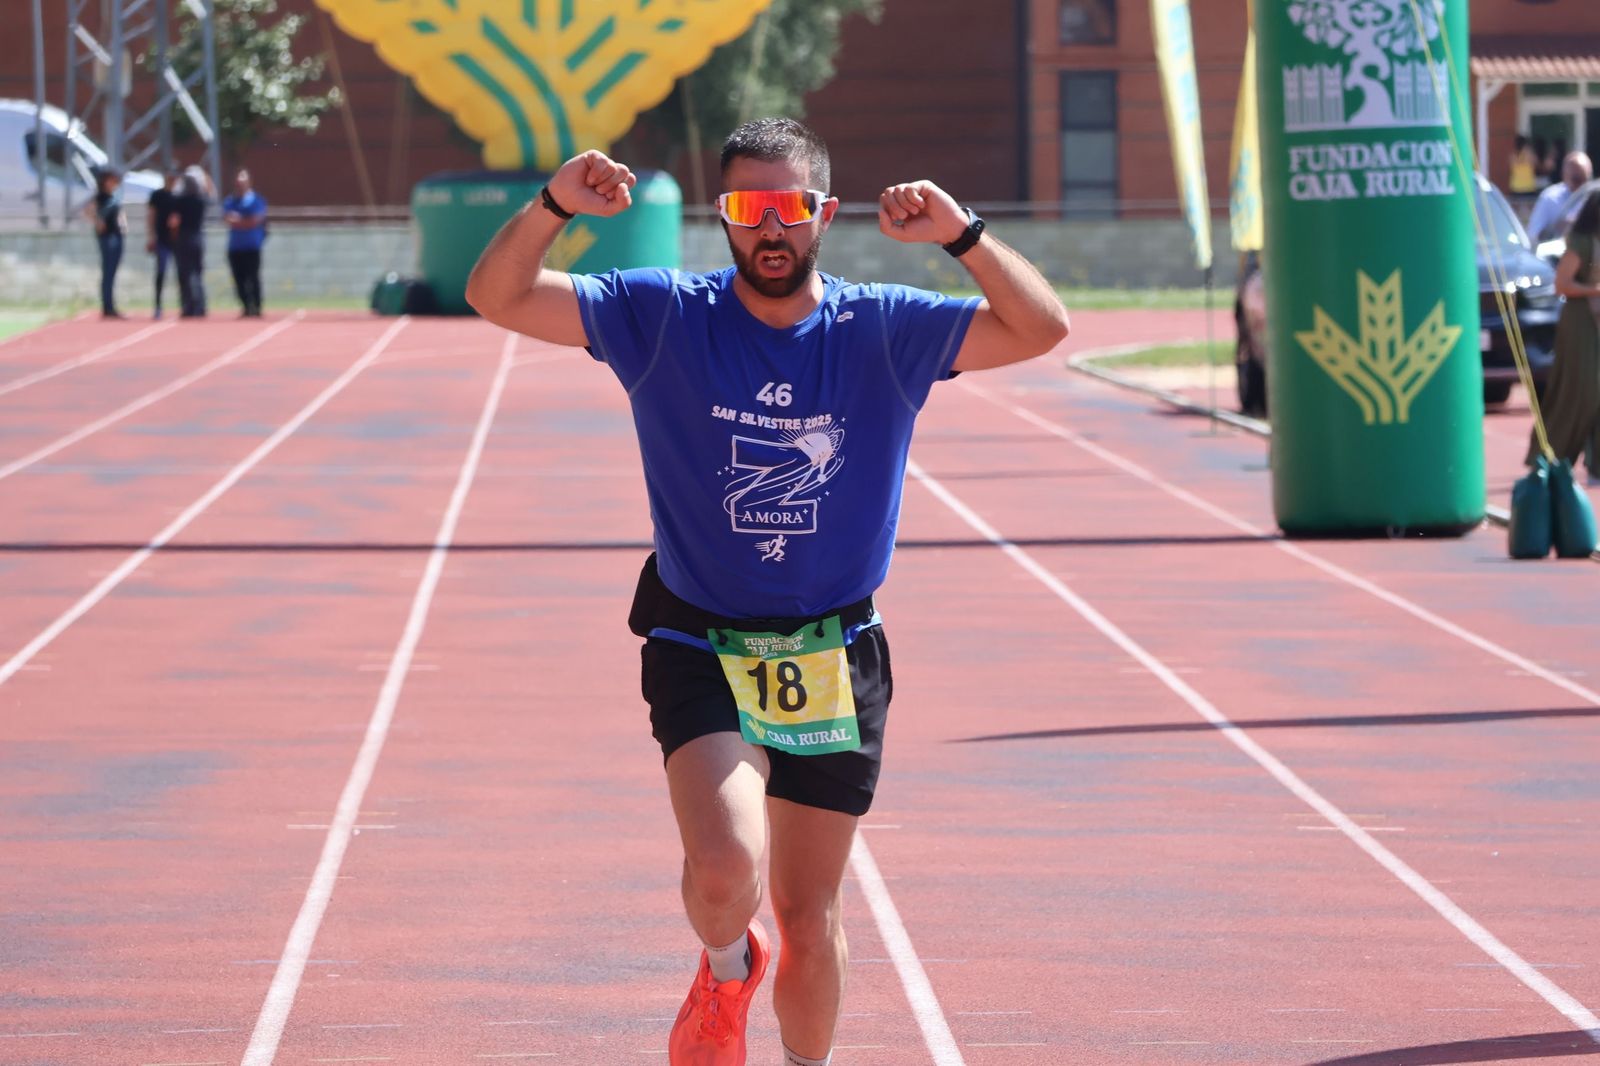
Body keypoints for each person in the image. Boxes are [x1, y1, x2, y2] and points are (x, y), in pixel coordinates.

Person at [466, 118, 1070, 1066]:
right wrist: (554, 206)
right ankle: (722, 963)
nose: (772, 230)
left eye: (790, 208)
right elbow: (495, 295)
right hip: (701, 636)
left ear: (824, 212)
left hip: (834, 649)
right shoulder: (663, 315)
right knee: (724, 870)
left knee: (807, 908)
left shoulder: (882, 327)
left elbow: (1044, 327)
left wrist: (963, 234)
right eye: (751, 210)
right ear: (725, 216)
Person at [1528, 188, 1600, 485]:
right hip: (1581, 322)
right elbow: (1562, 285)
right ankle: (1551, 456)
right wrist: (1594, 291)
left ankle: (1597, 466)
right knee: (1581, 390)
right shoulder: (1581, 243)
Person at [223, 168, 268, 316]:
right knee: (239, 279)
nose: (240, 185)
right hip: (235, 247)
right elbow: (227, 218)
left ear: (249, 183)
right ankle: (246, 306)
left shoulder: (257, 200)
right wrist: (244, 221)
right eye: (238, 183)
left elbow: (255, 220)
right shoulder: (230, 200)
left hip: (252, 246)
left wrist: (240, 221)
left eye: (243, 182)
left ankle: (257, 305)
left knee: (253, 277)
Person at [84, 167, 126, 319]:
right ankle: (107, 306)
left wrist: (123, 224)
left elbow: (119, 213)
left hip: (117, 235)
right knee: (107, 271)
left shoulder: (114, 196)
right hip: (107, 237)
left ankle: (111, 305)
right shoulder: (100, 197)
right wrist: (97, 221)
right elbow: (88, 210)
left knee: (113, 271)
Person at [172, 165, 214, 317]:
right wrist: (206, 178)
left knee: (185, 273)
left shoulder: (180, 201)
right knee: (197, 273)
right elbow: (211, 194)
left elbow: (174, 220)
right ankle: (200, 306)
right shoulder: (201, 200)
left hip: (184, 237)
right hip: (198, 237)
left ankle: (188, 305)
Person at [1527, 151, 1593, 244]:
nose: (1581, 185)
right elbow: (1533, 235)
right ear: (1564, 175)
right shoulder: (1549, 198)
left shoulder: (1594, 197)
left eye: (1584, 179)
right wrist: (1557, 227)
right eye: (1576, 179)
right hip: (1556, 255)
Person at [146, 167, 182, 319]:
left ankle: (184, 304)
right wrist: (151, 236)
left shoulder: (179, 196)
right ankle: (158, 305)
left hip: (178, 240)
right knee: (161, 272)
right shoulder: (157, 195)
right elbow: (151, 216)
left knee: (182, 273)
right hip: (162, 238)